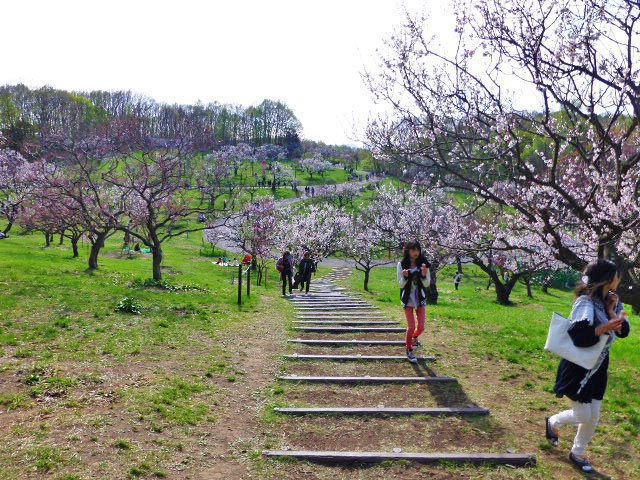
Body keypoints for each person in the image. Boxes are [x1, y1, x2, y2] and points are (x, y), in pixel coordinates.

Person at [545, 259, 630, 473]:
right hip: (578, 366)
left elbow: (623, 331)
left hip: (599, 365)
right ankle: (553, 421)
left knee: (594, 414)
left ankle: (578, 453)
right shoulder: (585, 302)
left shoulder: (612, 301)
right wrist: (603, 329)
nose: (619, 279)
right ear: (608, 279)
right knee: (583, 414)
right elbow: (579, 337)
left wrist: (612, 313)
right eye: (617, 275)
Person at [397, 240, 431, 363]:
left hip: (420, 298)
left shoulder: (424, 264)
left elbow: (427, 283)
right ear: (408, 251)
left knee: (421, 327)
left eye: (418, 250)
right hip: (408, 298)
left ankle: (414, 338)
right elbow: (400, 284)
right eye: (413, 250)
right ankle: (409, 349)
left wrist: (424, 274)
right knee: (411, 326)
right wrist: (405, 277)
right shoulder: (402, 264)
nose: (416, 252)